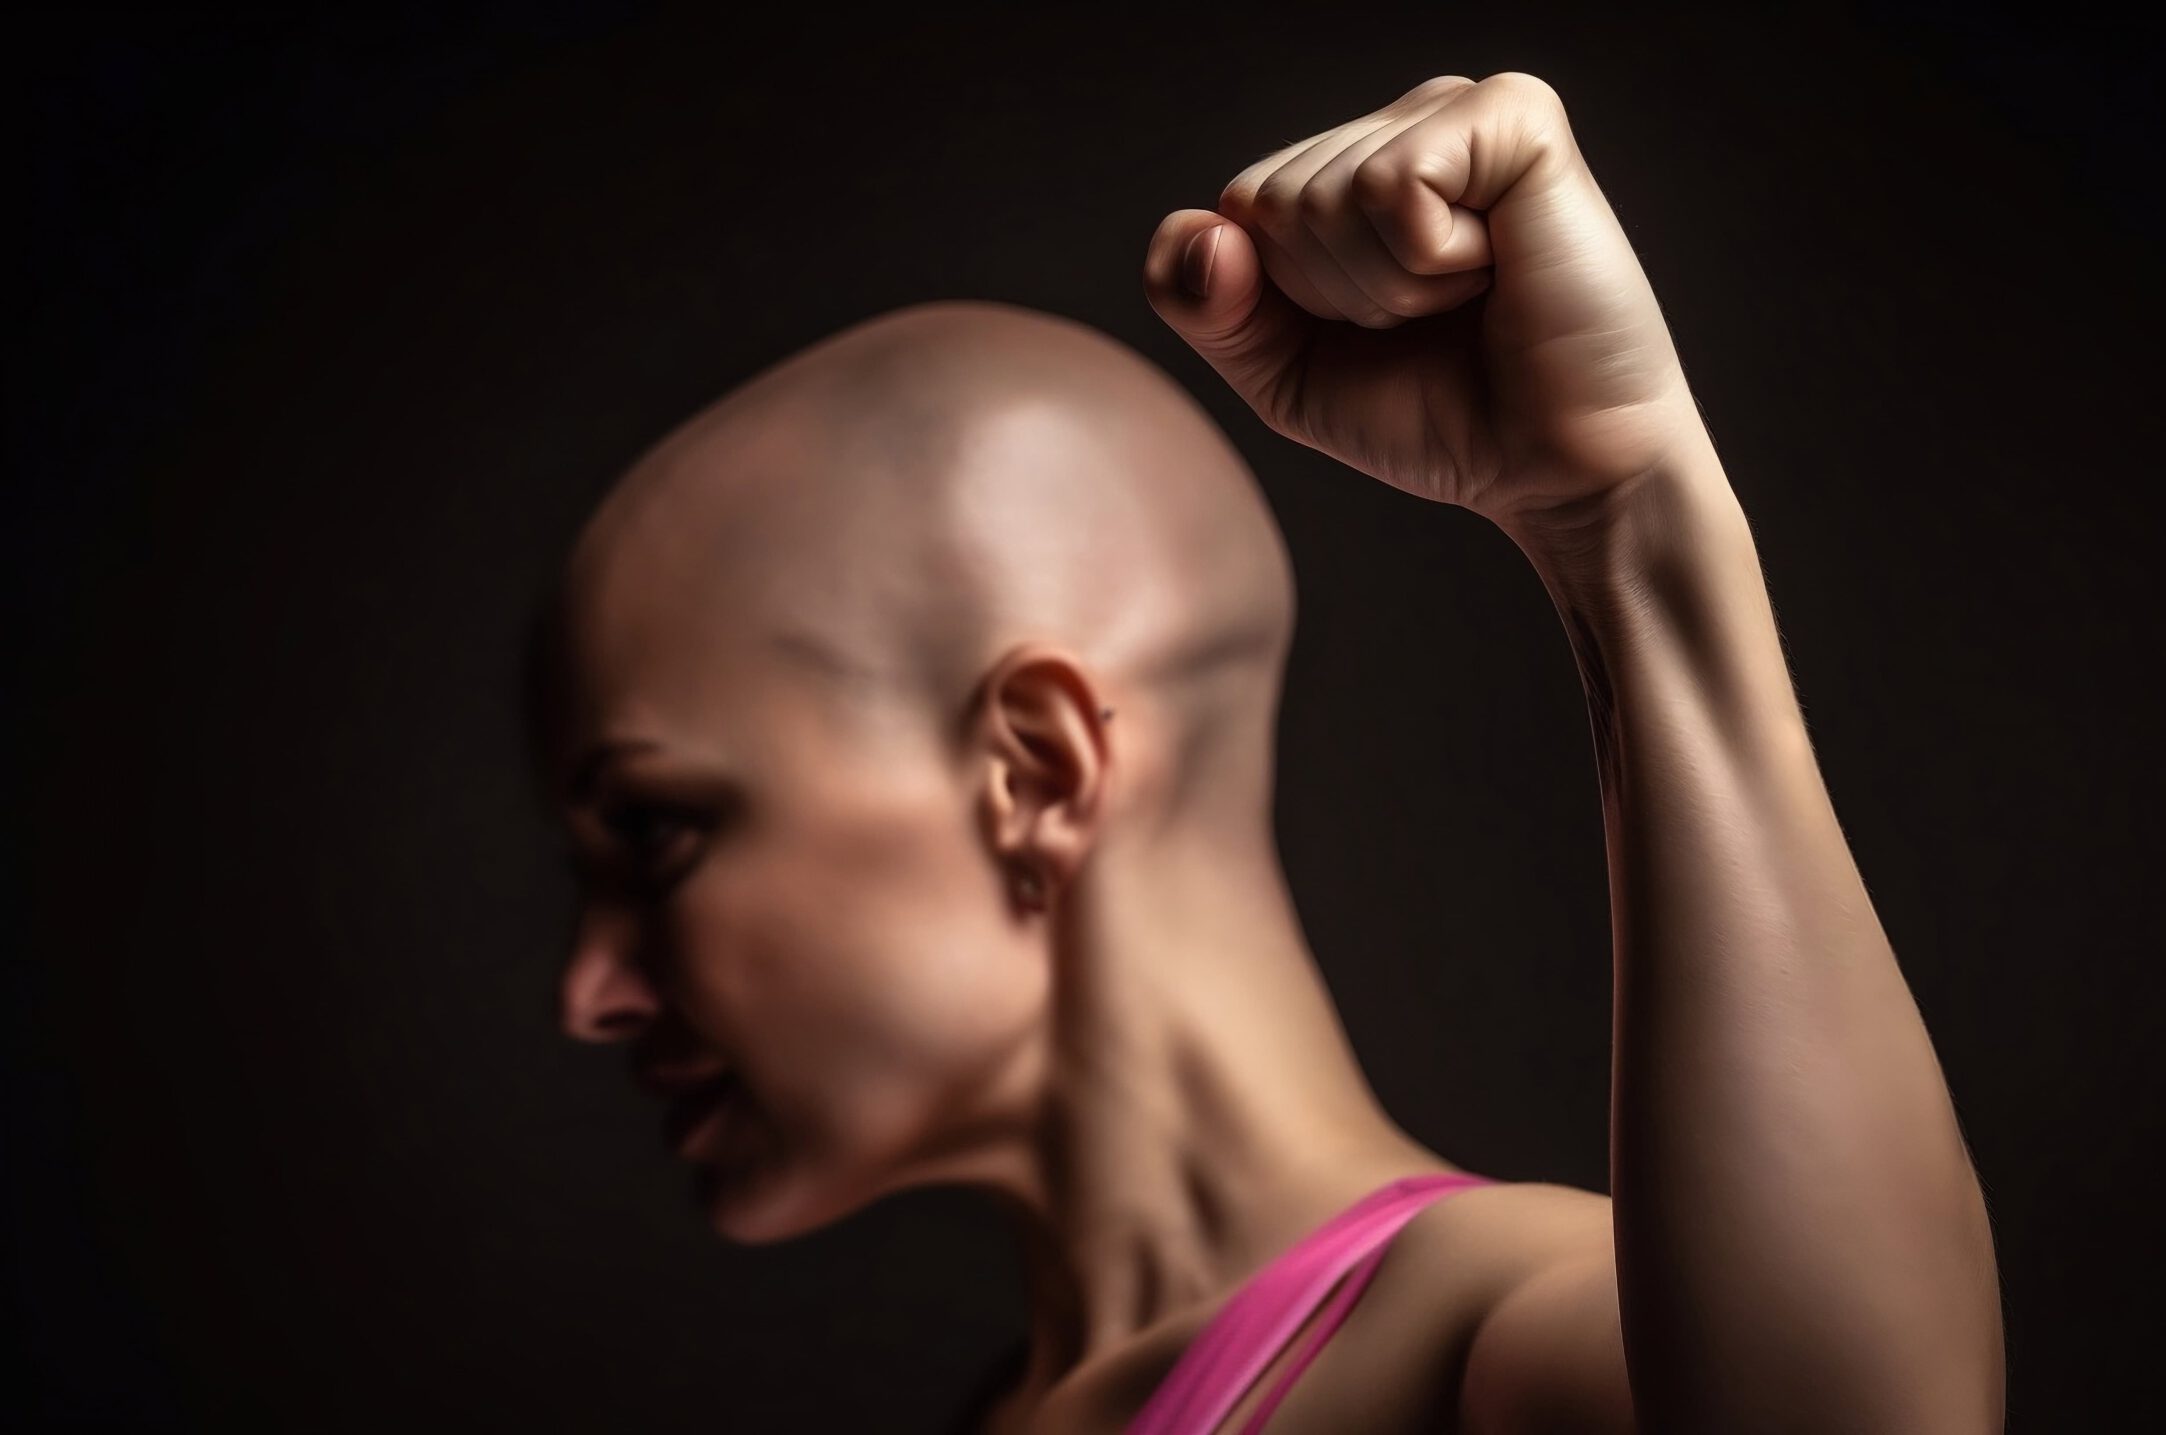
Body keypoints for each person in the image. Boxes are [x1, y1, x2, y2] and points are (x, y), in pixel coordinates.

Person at [530, 72, 2003, 1434]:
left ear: (1035, 773)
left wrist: (1618, 518)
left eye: (657, 834)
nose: (590, 992)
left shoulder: (1481, 1337)